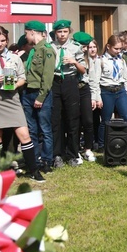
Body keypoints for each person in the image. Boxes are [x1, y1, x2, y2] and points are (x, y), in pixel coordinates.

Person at [0, 26, 44, 182]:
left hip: (11, 98)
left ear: (6, 41)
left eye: (3, 41)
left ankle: (34, 170)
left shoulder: (14, 58)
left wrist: (15, 85)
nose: (0, 44)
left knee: (24, 135)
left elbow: (22, 78)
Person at [50, 19, 86, 168]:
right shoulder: (50, 47)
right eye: (59, 32)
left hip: (70, 82)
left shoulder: (76, 47)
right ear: (55, 33)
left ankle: (72, 154)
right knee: (56, 120)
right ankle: (57, 154)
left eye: (65, 31)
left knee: (72, 119)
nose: (62, 34)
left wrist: (74, 62)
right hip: (55, 81)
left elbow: (83, 70)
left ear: (69, 32)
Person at [21, 20, 56, 173]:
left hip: (41, 94)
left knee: (45, 129)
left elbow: (48, 77)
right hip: (28, 92)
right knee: (31, 130)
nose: (26, 36)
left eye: (26, 33)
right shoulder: (33, 50)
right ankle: (34, 160)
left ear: (33, 32)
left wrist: (40, 97)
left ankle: (47, 161)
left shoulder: (46, 50)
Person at [98, 34, 127, 153]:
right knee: (106, 120)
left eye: (120, 49)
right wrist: (98, 97)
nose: (118, 51)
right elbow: (97, 79)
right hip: (106, 91)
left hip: (120, 91)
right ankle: (101, 144)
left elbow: (125, 78)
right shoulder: (101, 61)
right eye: (116, 49)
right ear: (108, 46)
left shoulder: (121, 60)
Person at [73, 31, 98, 162]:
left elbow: (93, 79)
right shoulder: (72, 56)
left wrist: (94, 97)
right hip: (72, 90)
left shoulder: (89, 60)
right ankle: (75, 150)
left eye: (86, 46)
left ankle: (88, 148)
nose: (84, 49)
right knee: (75, 122)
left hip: (85, 89)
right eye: (81, 46)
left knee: (88, 121)